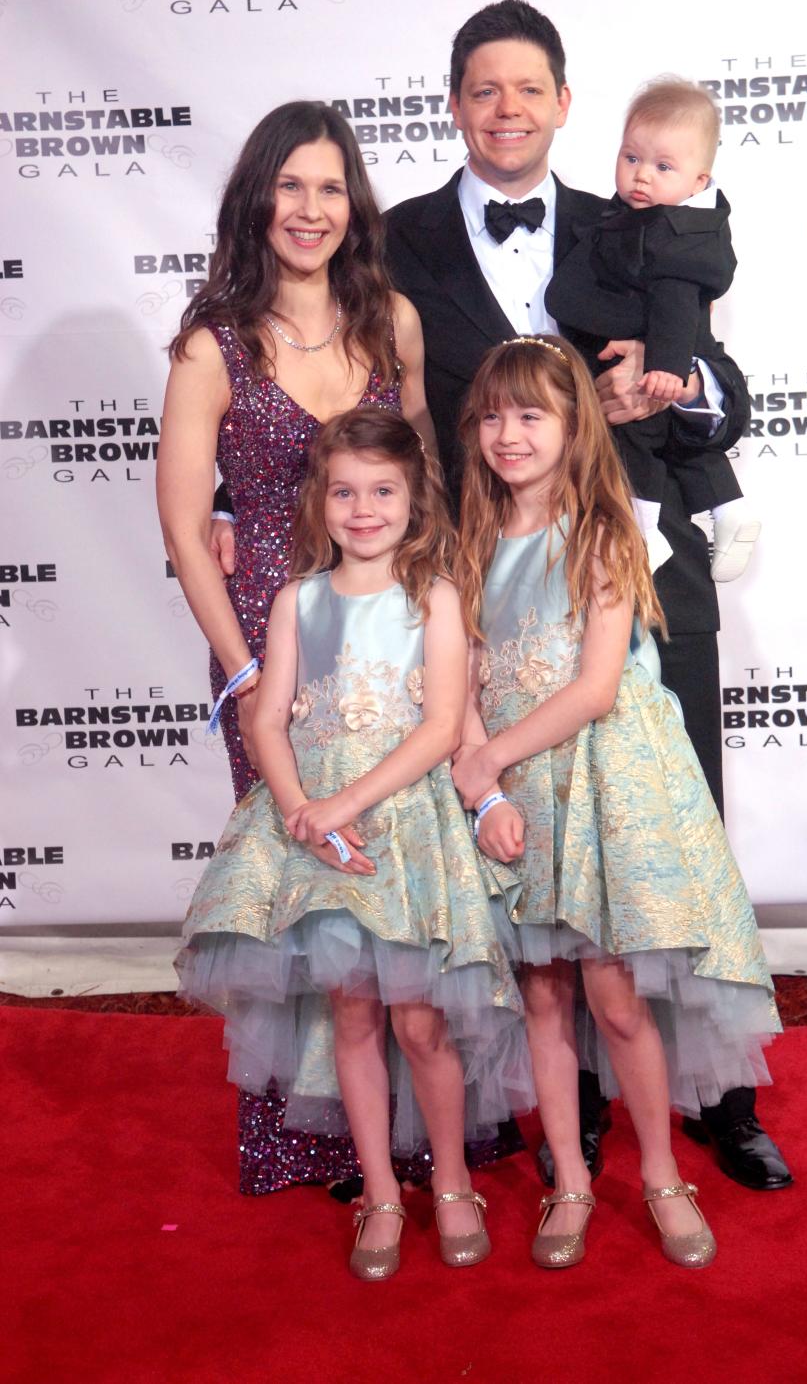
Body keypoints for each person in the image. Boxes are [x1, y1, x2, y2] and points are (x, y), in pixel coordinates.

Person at [384, 0, 793, 1190]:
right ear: (455, 105)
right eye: (482, 90)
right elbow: (372, 390)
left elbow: (721, 380)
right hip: (492, 586)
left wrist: (668, 389)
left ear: (566, 101)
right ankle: (554, 1102)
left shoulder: (644, 213)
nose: (506, 110)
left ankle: (720, 1093)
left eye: (530, 89)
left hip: (641, 563)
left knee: (679, 838)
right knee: (525, 854)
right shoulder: (400, 240)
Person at [158, 101, 442, 1198]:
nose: (310, 209)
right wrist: (236, 672)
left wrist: (436, 633)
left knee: (396, 866)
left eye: (330, 188)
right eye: (291, 186)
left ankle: (415, 1118)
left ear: (352, 204)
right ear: (257, 200)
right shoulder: (212, 341)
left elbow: (422, 491)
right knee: (297, 880)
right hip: (270, 661)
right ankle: (304, 1132)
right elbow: (187, 528)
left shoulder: (394, 324)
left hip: (385, 644)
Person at [177, 407, 532, 1279]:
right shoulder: (296, 599)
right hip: (315, 835)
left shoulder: (434, 599)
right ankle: (377, 1189)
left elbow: (442, 725)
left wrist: (344, 804)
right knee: (351, 1013)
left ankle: (450, 1181)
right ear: (319, 500)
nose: (363, 508)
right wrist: (300, 807)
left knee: (419, 1022)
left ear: (416, 500)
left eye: (383, 491)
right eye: (344, 491)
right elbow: (266, 716)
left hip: (400, 829)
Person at [450, 336, 779, 1269]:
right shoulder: (467, 540)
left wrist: (490, 759)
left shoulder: (602, 530)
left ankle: (664, 1175)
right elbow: (462, 678)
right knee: (540, 995)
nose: (508, 436)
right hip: (518, 793)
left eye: (532, 416)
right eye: (492, 416)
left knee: (616, 996)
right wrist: (480, 784)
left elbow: (596, 687)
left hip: (602, 777)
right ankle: (569, 1179)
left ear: (573, 426)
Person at [545, 77, 761, 584]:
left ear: (699, 181)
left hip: (644, 377)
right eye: (631, 158)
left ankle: (643, 530)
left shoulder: (671, 235)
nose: (641, 176)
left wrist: (669, 369)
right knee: (656, 438)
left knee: (640, 433)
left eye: (663, 167)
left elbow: (675, 304)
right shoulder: (614, 218)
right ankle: (724, 506)